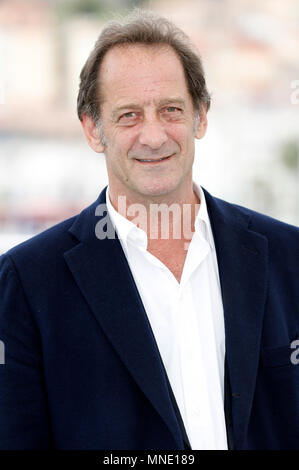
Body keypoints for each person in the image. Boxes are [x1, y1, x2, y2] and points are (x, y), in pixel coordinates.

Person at [0, 10, 298, 451]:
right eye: (128, 115)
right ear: (92, 129)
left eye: (171, 109)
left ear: (200, 117)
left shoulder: (289, 257)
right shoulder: (25, 284)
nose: (154, 135)